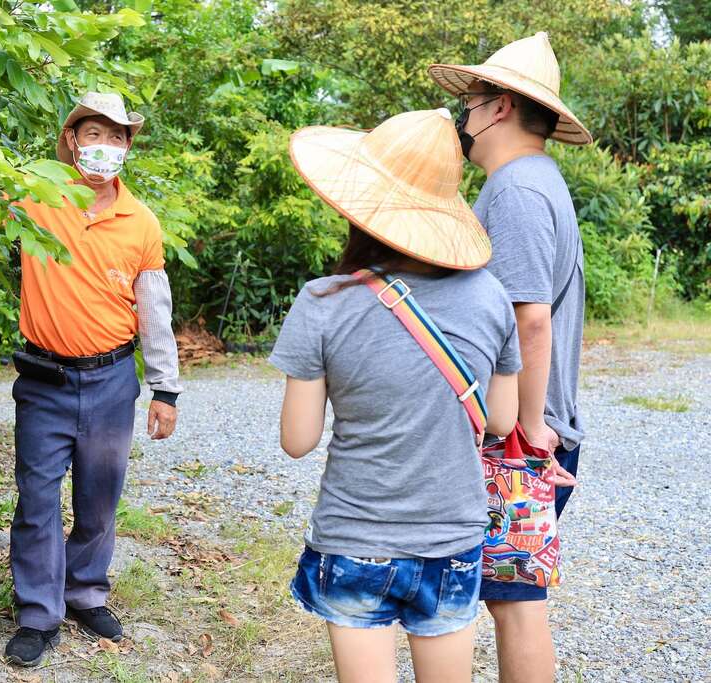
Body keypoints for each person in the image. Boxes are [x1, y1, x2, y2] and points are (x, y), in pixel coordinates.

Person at [272, 109, 522, 683]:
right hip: (452, 541)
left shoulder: (322, 301)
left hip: (355, 536)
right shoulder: (491, 296)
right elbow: (502, 420)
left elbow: (297, 440)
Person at [429, 31, 589, 682]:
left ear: (498, 108)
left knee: (516, 600)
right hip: (521, 427)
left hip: (521, 433)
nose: (463, 117)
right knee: (508, 593)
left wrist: (528, 430)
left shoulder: (518, 189)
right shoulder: (531, 179)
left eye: (470, 101)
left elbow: (530, 320)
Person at [4, 92, 182, 667]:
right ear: (71, 142)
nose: (103, 146)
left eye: (115, 136)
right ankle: (37, 611)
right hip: (44, 380)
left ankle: (84, 592)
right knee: (36, 498)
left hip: (110, 383)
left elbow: (154, 313)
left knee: (100, 501)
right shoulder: (33, 200)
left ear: (128, 147)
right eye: (92, 134)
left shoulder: (141, 223)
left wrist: (165, 389)